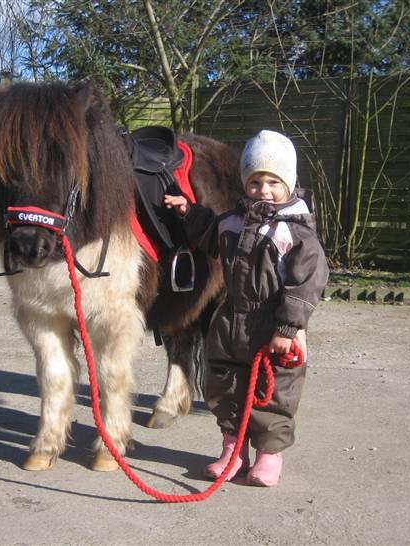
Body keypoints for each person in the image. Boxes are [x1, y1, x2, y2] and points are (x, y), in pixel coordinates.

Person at [164, 129, 329, 487]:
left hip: (274, 328)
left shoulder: (295, 232)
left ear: (289, 183)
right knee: (227, 387)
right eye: (255, 182)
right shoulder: (233, 221)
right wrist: (188, 213)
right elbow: (211, 237)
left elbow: (307, 282)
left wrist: (287, 328)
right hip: (231, 321)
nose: (263, 190)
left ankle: (269, 455)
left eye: (273, 182)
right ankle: (232, 450)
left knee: (274, 392)